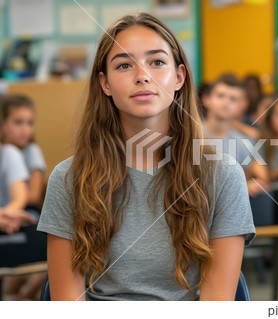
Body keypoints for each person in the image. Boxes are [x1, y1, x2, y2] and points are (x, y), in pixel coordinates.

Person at [37, 13, 255, 301]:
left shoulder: (223, 175)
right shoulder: (68, 178)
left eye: (157, 62)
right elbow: (67, 303)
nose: (142, 75)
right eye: (124, 65)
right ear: (105, 84)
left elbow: (217, 301)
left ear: (178, 77)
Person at [0, 95, 47, 300]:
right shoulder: (8, 152)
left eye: (29, 123)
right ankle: (12, 296)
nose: (25, 129)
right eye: (18, 122)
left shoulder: (27, 151)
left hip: (24, 214)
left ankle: (24, 297)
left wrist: (9, 212)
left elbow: (32, 195)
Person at [203, 74, 268, 197]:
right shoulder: (188, 135)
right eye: (220, 96)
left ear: (241, 105)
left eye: (233, 99)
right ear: (206, 99)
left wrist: (250, 185)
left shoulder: (245, 142)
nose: (226, 102)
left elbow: (262, 179)